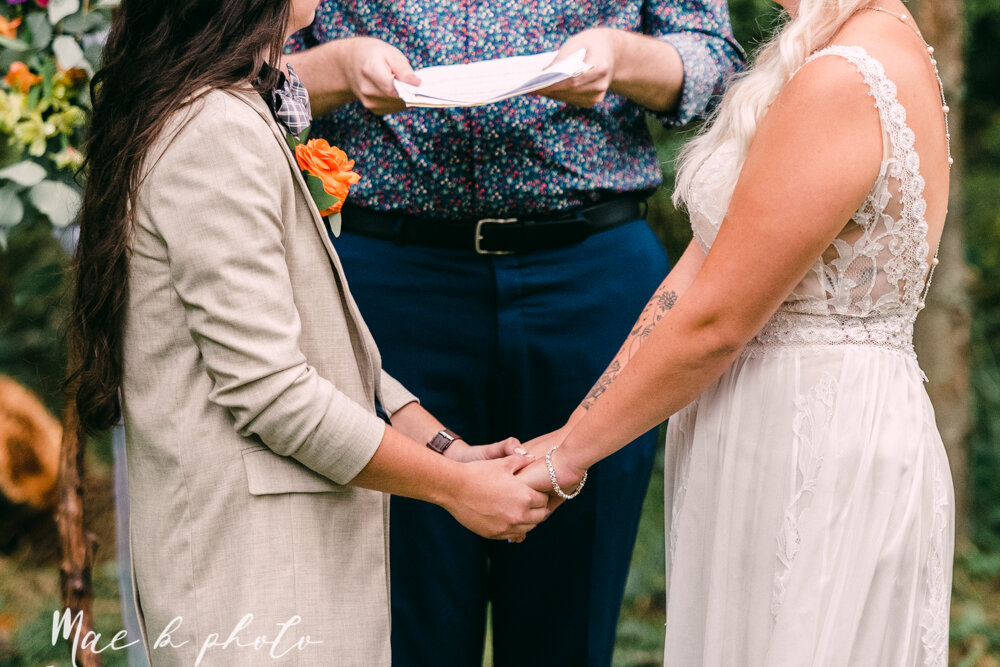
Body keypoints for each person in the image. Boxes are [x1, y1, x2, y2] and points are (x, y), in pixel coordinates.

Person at [67, 0, 549, 664]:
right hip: (252, 581)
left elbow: (326, 336)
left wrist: (447, 449)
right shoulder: (213, 133)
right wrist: (454, 489)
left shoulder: (227, 106)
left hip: (287, 568)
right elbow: (275, 391)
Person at [284, 3, 743, 665]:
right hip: (392, 288)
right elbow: (238, 74)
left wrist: (621, 59)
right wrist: (338, 67)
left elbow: (718, 65)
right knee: (400, 617)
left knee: (571, 615)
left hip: (590, 281)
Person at [518, 0, 956, 663]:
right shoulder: (840, 47)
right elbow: (690, 284)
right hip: (774, 431)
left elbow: (716, 322)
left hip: (813, 448)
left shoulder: (843, 76)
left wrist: (567, 460)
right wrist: (571, 432)